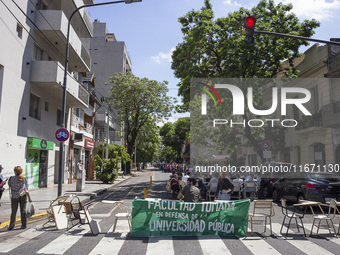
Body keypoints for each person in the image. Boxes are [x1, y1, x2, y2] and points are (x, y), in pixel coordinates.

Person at [8, 166, 32, 230]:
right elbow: (26, 189)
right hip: (23, 196)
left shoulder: (11, 178)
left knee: (13, 211)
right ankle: (23, 225)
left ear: (15, 171)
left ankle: (11, 226)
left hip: (14, 197)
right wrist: (29, 197)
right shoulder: (24, 178)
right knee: (23, 211)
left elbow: (9, 185)